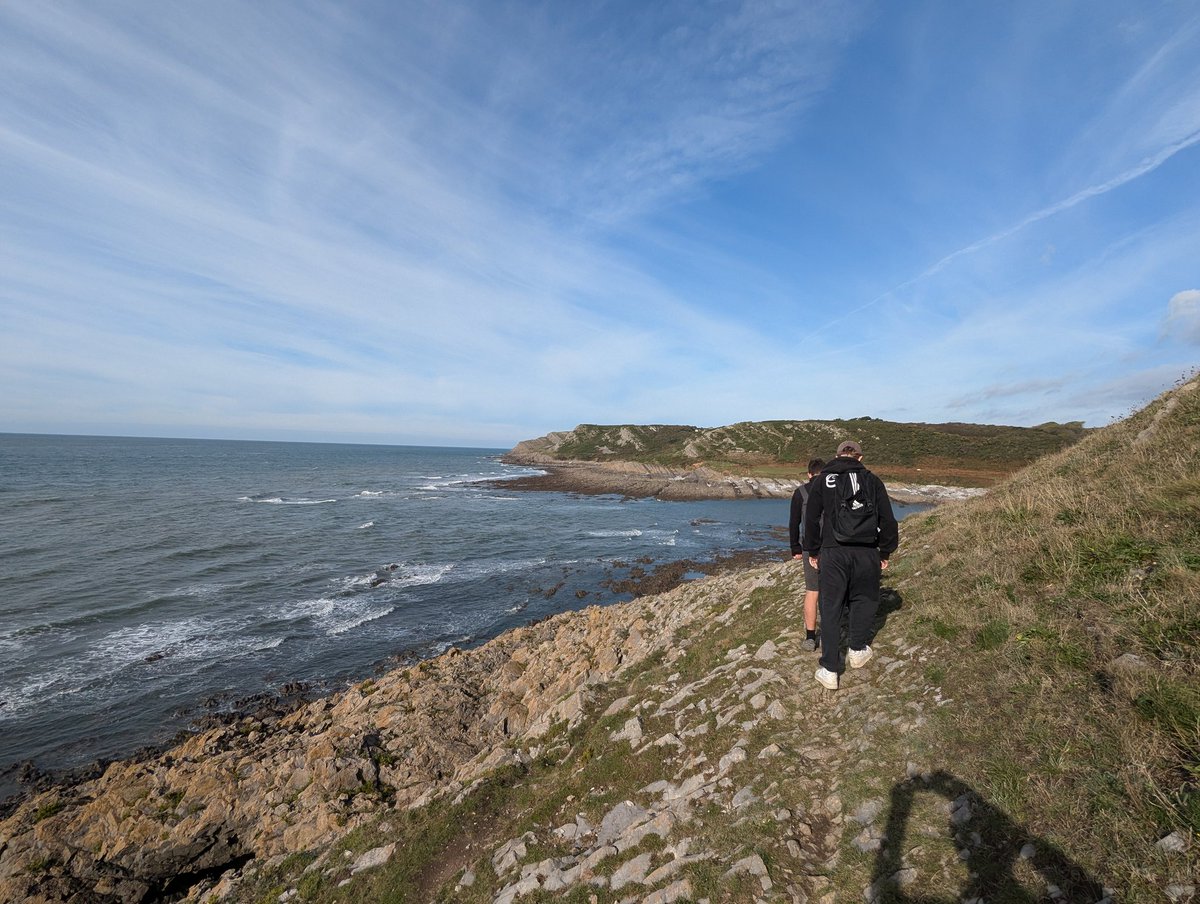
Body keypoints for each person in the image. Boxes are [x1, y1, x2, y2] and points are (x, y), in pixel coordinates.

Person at [803, 440, 898, 690]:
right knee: (863, 600)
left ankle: (830, 669)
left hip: (833, 552)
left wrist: (813, 550)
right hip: (866, 551)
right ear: (859, 457)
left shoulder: (824, 480)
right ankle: (857, 649)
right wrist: (885, 551)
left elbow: (811, 518)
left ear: (836, 456)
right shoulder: (873, 481)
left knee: (831, 607)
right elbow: (888, 520)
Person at [788, 458, 824, 652]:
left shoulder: (800, 492)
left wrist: (795, 548)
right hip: (833, 546)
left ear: (809, 474)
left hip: (810, 547)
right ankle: (832, 630)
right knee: (833, 590)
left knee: (812, 591)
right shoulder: (833, 489)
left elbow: (794, 523)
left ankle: (810, 637)